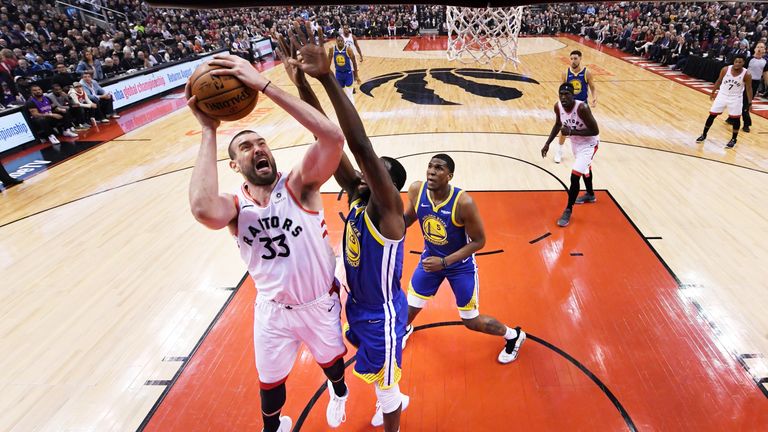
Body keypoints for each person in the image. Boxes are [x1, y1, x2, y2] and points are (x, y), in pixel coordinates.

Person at [186, 52, 349, 432]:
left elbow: (332, 137)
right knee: (270, 382)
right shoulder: (234, 207)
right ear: (234, 165)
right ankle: (272, 427)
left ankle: (339, 391)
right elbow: (201, 208)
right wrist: (209, 131)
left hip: (318, 302)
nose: (258, 148)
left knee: (332, 362)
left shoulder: (298, 185)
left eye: (262, 143)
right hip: (272, 311)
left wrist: (264, 86)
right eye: (246, 147)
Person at [278, 26, 409, 431]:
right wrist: (302, 86)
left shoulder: (389, 213)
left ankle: (394, 413)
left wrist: (329, 77)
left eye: (380, 175)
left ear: (389, 186)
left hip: (382, 315)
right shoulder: (357, 192)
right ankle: (389, 392)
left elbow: (361, 147)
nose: (370, 174)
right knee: (367, 370)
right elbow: (327, 137)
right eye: (371, 174)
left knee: (386, 392)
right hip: (357, 305)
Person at [402, 152, 526, 363]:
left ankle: (514, 335)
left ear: (449, 176)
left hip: (459, 266)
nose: (432, 171)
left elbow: (478, 241)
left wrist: (444, 262)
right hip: (430, 260)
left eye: (439, 168)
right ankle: (405, 329)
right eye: (430, 166)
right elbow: (408, 218)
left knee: (471, 320)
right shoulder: (416, 190)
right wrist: (382, 231)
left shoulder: (464, 202)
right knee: (409, 308)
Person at [541, 83, 600, 227]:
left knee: (575, 176)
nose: (563, 97)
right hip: (576, 144)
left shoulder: (582, 108)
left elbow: (595, 131)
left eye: (566, 94)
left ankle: (568, 209)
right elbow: (557, 124)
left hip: (589, 144)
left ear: (573, 95)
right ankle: (590, 195)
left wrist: (572, 132)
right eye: (561, 94)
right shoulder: (558, 107)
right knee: (585, 168)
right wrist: (548, 143)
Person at [696, 54, 752, 148]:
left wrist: (750, 102)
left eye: (740, 62)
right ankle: (704, 134)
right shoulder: (725, 69)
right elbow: (719, 80)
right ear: (733, 61)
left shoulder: (747, 74)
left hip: (735, 97)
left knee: (736, 119)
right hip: (722, 95)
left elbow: (749, 88)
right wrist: (713, 92)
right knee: (712, 115)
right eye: (736, 61)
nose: (737, 64)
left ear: (743, 63)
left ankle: (734, 139)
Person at [552, 50, 596, 164]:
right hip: (569, 106)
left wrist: (594, 97)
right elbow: (562, 89)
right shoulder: (565, 73)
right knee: (564, 128)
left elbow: (592, 87)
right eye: (571, 58)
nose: (573, 60)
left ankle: (586, 152)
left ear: (580, 59)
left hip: (583, 105)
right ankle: (559, 151)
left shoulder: (587, 72)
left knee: (587, 128)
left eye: (575, 58)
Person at [742, 43, 767, 133]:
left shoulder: (765, 61)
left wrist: (767, 84)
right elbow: (742, 70)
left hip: (755, 84)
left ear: (765, 50)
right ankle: (735, 120)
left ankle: (746, 123)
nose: (760, 49)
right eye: (758, 47)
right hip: (744, 82)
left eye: (762, 47)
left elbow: (765, 74)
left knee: (747, 103)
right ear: (755, 49)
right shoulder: (749, 59)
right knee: (740, 102)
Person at [329, 34, 360, 104]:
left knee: (349, 94)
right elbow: (329, 61)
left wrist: (356, 75)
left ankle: (352, 110)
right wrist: (327, 73)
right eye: (338, 41)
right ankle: (343, 109)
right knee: (340, 93)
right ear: (336, 42)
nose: (340, 42)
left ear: (344, 41)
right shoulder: (332, 49)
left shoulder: (348, 49)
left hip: (348, 74)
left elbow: (354, 62)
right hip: (338, 74)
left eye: (341, 41)